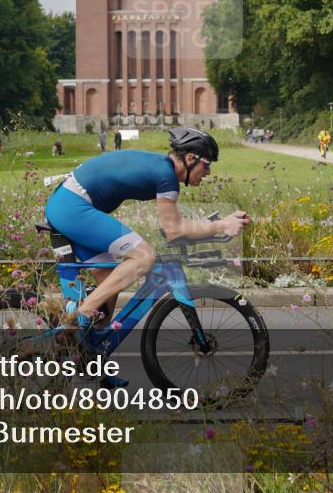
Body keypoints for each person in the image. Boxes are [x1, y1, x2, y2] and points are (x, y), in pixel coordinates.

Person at [44, 127, 249, 389]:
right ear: (189, 159)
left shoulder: (162, 168)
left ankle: (91, 357)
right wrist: (221, 225)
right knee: (144, 256)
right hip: (73, 206)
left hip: (73, 205)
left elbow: (174, 226)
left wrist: (217, 226)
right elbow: (173, 230)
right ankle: (80, 316)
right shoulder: (166, 175)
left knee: (110, 286)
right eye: (207, 165)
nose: (209, 172)